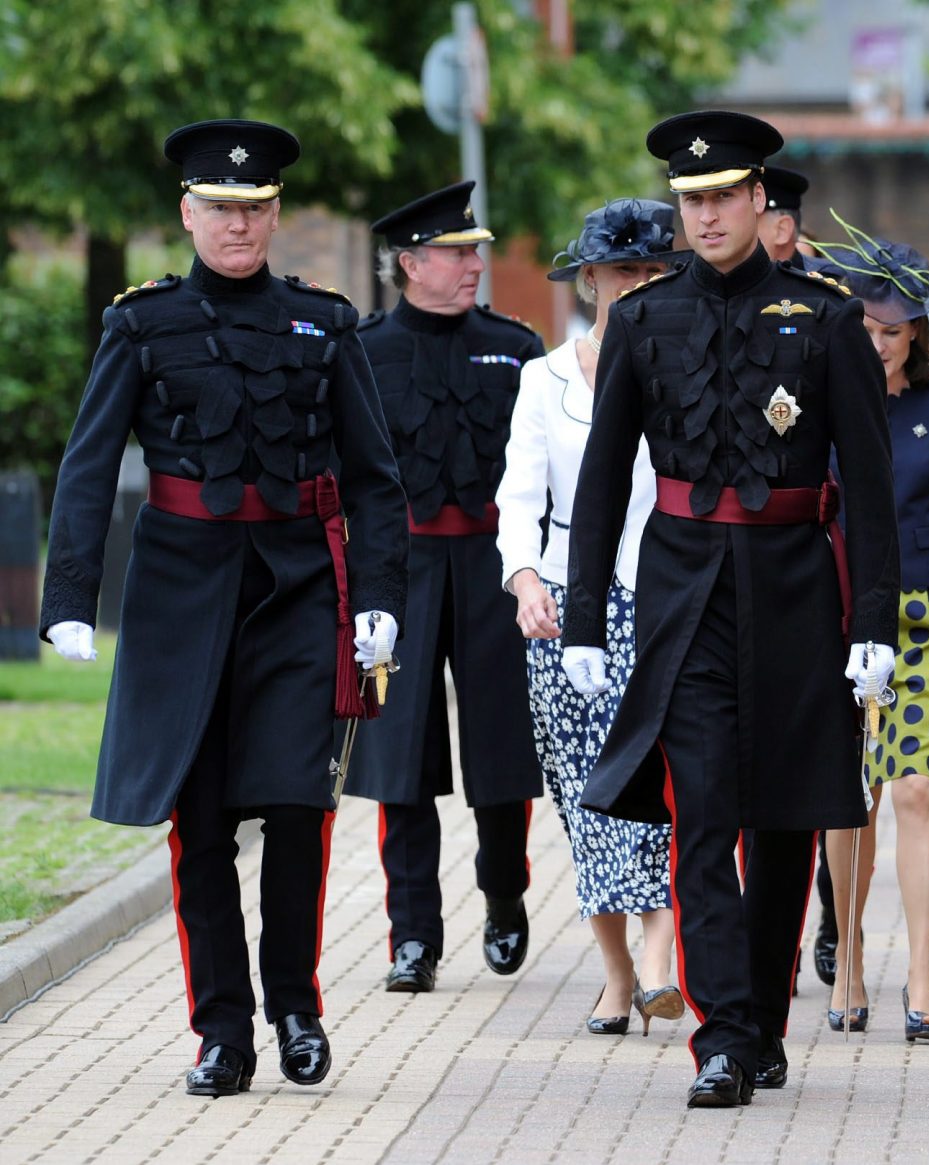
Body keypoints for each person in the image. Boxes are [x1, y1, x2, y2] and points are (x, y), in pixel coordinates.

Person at [40, 120, 408, 1096]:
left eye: (254, 209)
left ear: (275, 213)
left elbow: (374, 478)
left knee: (297, 809)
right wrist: (69, 598)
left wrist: (378, 598)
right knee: (198, 822)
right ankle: (223, 1030)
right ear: (187, 213)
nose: (238, 224)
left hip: (296, 593)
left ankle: (294, 1004)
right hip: (178, 599)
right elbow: (86, 465)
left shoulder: (325, 323)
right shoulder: (141, 323)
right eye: (220, 208)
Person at [560, 110, 900, 1108]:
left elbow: (870, 488)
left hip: (796, 589)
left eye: (723, 197)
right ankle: (722, 1032)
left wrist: (874, 621)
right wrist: (585, 615)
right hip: (683, 589)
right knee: (701, 808)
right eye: (691, 200)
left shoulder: (828, 318)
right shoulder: (643, 318)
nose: (707, 215)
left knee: (786, 819)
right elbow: (602, 475)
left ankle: (760, 1009)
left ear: (761, 201)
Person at [345, 182, 545, 991]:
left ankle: (505, 892)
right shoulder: (361, 351)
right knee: (402, 758)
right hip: (403, 571)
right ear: (409, 264)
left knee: (502, 749)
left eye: (475, 249)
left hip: (495, 573)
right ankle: (413, 937)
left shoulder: (515, 345)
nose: (474, 264)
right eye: (457, 252)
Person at [495, 197, 683, 1036]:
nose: (637, 286)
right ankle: (617, 972)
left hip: (669, 592)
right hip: (570, 601)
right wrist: (526, 576)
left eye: (651, 271)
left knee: (662, 783)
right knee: (584, 793)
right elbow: (518, 498)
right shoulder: (543, 379)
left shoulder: (689, 367)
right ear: (590, 280)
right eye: (622, 273)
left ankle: (659, 960)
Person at [814, 232, 929, 1041]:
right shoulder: (815, 405)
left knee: (915, 788)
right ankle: (848, 954)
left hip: (927, 615)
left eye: (892, 331)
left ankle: (920, 970)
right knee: (853, 796)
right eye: (864, 329)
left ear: (917, 330)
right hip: (839, 613)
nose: (877, 345)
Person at [750, 161, 841, 988]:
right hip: (714, 564)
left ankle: (828, 906)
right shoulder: (679, 309)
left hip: (817, 553)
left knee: (805, 768)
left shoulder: (827, 313)